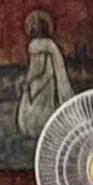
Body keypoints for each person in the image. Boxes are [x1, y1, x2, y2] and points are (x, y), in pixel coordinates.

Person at [15, 7, 73, 138]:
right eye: (34, 25)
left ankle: (38, 131)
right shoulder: (42, 44)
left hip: (43, 81)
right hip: (44, 80)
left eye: (38, 25)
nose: (36, 27)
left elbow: (38, 68)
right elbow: (35, 67)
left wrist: (28, 81)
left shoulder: (41, 44)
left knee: (40, 106)